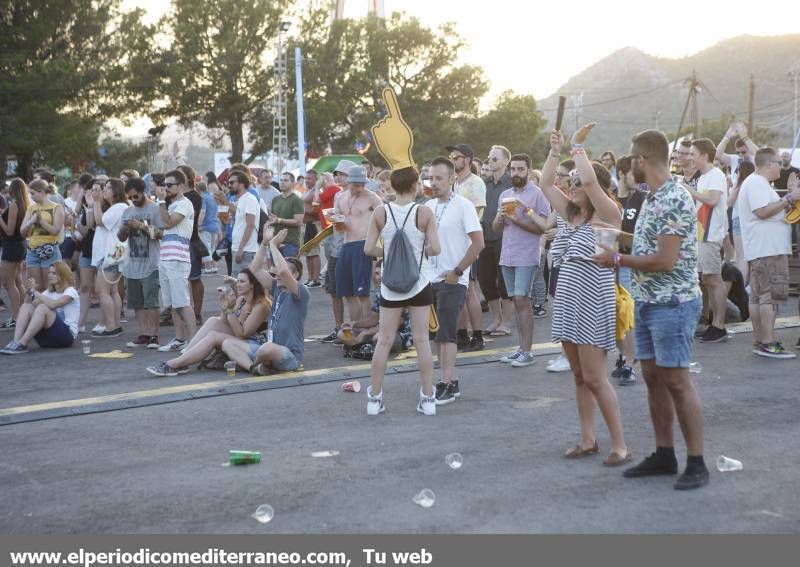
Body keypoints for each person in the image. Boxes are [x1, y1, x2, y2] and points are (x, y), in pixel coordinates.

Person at [595, 129, 709, 490]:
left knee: (677, 380)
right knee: (654, 378)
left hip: (672, 303)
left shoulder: (673, 198)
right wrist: (619, 240)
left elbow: (664, 260)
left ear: (642, 160)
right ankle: (664, 453)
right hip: (648, 301)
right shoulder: (654, 196)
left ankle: (697, 461)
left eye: (631, 160)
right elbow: (651, 244)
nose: (629, 167)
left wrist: (615, 257)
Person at [540, 124, 630, 467]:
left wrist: (577, 147)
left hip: (594, 298)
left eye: (579, 181)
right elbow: (546, 182)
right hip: (567, 297)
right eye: (572, 181)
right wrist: (554, 150)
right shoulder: (570, 215)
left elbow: (591, 182)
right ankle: (588, 439)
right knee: (579, 376)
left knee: (595, 376)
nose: (574, 186)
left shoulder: (609, 215)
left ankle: (620, 444)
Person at [365, 166, 441, 415]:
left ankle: (374, 398)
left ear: (392, 186)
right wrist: (418, 253)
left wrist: (389, 254)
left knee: (384, 340)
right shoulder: (424, 212)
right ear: (415, 185)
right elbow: (436, 249)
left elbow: (369, 249)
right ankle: (428, 398)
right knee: (421, 340)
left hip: (390, 286)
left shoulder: (380, 212)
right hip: (418, 282)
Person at [424, 157, 484, 405]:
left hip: (453, 280)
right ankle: (449, 380)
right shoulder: (427, 206)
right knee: (436, 333)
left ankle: (447, 382)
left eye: (439, 178)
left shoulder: (464, 206)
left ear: (452, 179)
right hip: (429, 280)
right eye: (431, 178)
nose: (434, 182)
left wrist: (457, 272)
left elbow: (478, 244)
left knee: (447, 334)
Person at [146, 267, 269, 376]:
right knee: (213, 321)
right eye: (238, 281)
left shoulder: (260, 306)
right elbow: (223, 322)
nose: (237, 284)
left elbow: (242, 334)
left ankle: (176, 364)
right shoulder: (241, 299)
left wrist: (229, 310)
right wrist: (225, 308)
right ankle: (184, 359)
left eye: (242, 282)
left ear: (252, 284)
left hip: (253, 343)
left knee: (213, 336)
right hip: (240, 337)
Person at [738, 149, 799, 358]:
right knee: (769, 297)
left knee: (758, 296)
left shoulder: (757, 183)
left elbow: (770, 210)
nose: (782, 168)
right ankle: (768, 342)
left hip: (762, 248)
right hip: (768, 249)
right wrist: (789, 197)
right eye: (779, 163)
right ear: (768, 164)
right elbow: (762, 211)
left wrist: (788, 197)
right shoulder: (756, 183)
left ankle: (761, 340)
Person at [491, 154, 550, 368]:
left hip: (526, 255)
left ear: (528, 170)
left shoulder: (537, 194)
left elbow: (543, 227)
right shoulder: (505, 195)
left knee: (522, 300)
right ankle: (521, 349)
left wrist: (517, 220)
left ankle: (528, 351)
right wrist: (499, 220)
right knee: (516, 302)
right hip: (507, 256)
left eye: (520, 169)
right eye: (513, 169)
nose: (516, 173)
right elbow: (496, 229)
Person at [249, 229, 310, 374]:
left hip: (290, 356)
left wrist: (274, 246)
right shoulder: (276, 288)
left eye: (281, 273)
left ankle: (250, 366)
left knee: (266, 349)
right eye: (275, 273)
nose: (277, 275)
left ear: (295, 275)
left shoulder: (301, 292)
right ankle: (261, 367)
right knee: (229, 343)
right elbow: (254, 269)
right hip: (269, 348)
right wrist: (264, 244)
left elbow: (283, 272)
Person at [687, 138, 729, 343]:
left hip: (711, 235)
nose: (690, 157)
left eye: (693, 153)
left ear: (704, 155)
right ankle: (713, 322)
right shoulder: (704, 177)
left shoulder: (716, 175)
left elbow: (713, 200)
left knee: (714, 279)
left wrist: (690, 190)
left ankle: (719, 325)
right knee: (706, 279)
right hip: (701, 234)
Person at [448, 143, 487, 352]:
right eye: (451, 156)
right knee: (458, 290)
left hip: (469, 241)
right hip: (455, 241)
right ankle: (462, 334)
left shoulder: (476, 182)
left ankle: (477, 336)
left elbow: (477, 214)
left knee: (470, 289)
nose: (453, 159)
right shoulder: (454, 183)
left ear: (468, 160)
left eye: (457, 156)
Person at [612, 155, 647, 386]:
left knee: (629, 315)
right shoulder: (614, 200)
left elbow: (642, 236)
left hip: (630, 263)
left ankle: (630, 363)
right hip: (612, 263)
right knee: (616, 315)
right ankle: (624, 357)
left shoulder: (641, 197)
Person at [154, 169, 197, 352]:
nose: (165, 188)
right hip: (165, 256)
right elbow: (166, 229)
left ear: (181, 186)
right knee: (172, 303)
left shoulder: (185, 204)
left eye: (169, 185)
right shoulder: (171, 204)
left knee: (183, 302)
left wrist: (162, 201)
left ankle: (194, 342)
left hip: (178, 258)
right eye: (164, 185)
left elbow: (169, 223)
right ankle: (179, 339)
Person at [334, 165, 383, 323]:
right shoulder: (341, 197)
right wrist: (335, 220)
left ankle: (367, 326)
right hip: (346, 245)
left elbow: (385, 219)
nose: (360, 188)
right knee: (347, 291)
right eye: (356, 184)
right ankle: (355, 326)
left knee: (362, 292)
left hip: (363, 244)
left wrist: (379, 245)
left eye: (362, 184)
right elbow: (336, 218)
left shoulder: (372, 197)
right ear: (349, 182)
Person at [118, 177, 163, 348]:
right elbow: (120, 238)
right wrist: (125, 229)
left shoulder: (155, 209)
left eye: (135, 196)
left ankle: (154, 335)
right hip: (133, 264)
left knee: (151, 301)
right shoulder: (128, 211)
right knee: (137, 302)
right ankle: (144, 333)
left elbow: (161, 234)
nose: (133, 200)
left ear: (143, 192)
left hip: (151, 262)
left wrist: (142, 226)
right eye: (130, 197)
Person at [1, 261, 79, 354]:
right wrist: (30, 291)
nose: (50, 275)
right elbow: (30, 304)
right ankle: (16, 342)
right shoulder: (49, 292)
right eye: (49, 273)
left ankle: (22, 343)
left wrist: (36, 292)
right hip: (46, 339)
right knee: (26, 307)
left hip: (65, 337)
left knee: (43, 308)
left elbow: (53, 304)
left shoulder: (70, 291)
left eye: (54, 273)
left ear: (62, 275)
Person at [478, 145, 513, 336]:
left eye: (494, 159)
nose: (489, 162)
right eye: (489, 159)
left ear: (505, 161)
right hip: (484, 238)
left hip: (505, 238)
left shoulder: (511, 183)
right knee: (485, 281)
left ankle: (506, 323)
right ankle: (496, 319)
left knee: (504, 282)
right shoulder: (484, 183)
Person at [544, 159, 575, 374]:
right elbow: (546, 225)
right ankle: (566, 353)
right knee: (560, 307)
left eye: (562, 175)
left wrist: (558, 234)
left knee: (568, 309)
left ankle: (569, 356)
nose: (557, 178)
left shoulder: (577, 202)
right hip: (559, 259)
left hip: (571, 263)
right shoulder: (561, 201)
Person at [89, 178, 128, 337]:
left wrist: (97, 201)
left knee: (102, 291)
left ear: (116, 191)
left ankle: (111, 326)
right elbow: (93, 222)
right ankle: (115, 324)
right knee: (112, 291)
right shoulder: (117, 207)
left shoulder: (119, 207)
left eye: (107, 188)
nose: (104, 191)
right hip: (112, 254)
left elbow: (99, 221)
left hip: (109, 255)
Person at [318, 167, 348, 343]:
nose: (339, 177)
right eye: (337, 174)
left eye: (342, 173)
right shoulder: (338, 195)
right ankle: (339, 329)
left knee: (354, 294)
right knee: (334, 290)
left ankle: (354, 330)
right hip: (336, 247)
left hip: (352, 248)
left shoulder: (363, 195)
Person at [21, 179, 64, 291]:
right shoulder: (31, 208)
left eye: (33, 193)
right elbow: (22, 232)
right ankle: (39, 308)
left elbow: (56, 231)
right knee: (36, 288)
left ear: (41, 192)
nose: (31, 197)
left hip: (50, 251)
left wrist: (41, 222)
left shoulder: (56, 208)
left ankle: (50, 308)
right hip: (33, 252)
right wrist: (31, 222)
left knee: (50, 288)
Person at [177, 165, 205, 326]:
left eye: (180, 174)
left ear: (188, 177)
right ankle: (180, 311)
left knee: (194, 278)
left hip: (191, 241)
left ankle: (197, 312)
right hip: (176, 241)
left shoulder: (194, 196)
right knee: (180, 279)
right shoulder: (173, 195)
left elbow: (186, 218)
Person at [0, 179, 29, 328]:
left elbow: (9, 231)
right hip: (20, 244)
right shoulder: (25, 204)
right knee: (17, 281)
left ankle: (16, 317)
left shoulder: (14, 206)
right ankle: (21, 315)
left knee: (8, 283)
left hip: (12, 245)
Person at [727, 161, 755, 283]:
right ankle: (751, 288)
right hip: (753, 221)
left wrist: (734, 185)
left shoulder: (739, 185)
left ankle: (741, 288)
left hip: (738, 219)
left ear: (739, 171)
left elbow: (729, 203)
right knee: (753, 257)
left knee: (741, 257)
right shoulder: (754, 184)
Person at [228, 171, 260, 276]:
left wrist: (241, 249)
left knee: (241, 285)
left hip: (246, 250)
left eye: (232, 183)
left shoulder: (249, 199)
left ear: (241, 184)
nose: (229, 185)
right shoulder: (240, 199)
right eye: (229, 183)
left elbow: (250, 225)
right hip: (239, 248)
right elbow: (240, 223)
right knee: (238, 284)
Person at [269, 172, 304, 259]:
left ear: (292, 183)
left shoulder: (296, 200)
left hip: (290, 244)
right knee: (274, 271)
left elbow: (298, 222)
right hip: (275, 242)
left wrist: (279, 220)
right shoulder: (275, 199)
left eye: (285, 180)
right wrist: (270, 220)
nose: (282, 182)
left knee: (289, 271)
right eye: (281, 180)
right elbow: (274, 220)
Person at [301, 169, 322, 287]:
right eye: (306, 178)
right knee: (307, 252)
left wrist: (303, 211)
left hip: (313, 224)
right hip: (306, 224)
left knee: (314, 253)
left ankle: (316, 279)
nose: (306, 180)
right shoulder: (308, 190)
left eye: (309, 178)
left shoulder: (316, 191)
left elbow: (317, 209)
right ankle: (310, 278)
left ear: (315, 179)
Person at [198, 181, 220, 275]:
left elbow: (203, 211)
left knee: (205, 247)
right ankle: (214, 267)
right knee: (212, 247)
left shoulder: (203, 197)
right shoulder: (212, 197)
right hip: (214, 225)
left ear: (198, 189)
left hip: (206, 226)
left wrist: (199, 224)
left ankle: (208, 268)